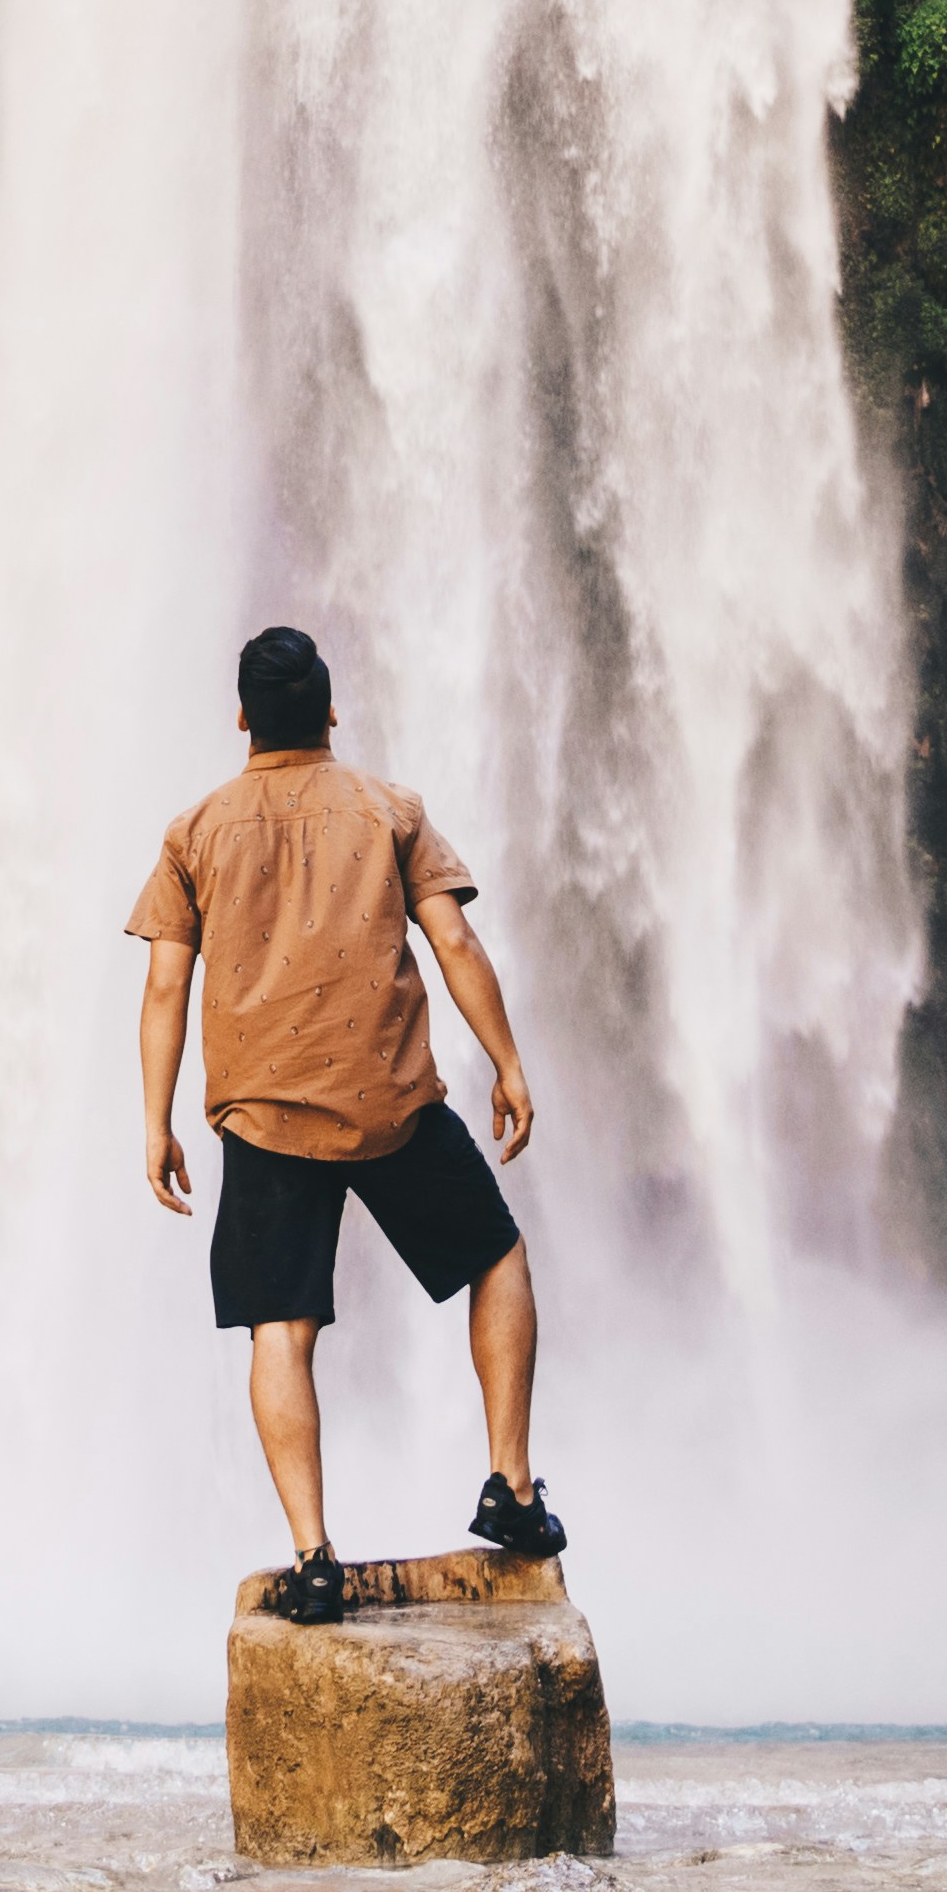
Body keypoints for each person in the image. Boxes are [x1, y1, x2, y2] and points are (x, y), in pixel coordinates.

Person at [129, 622, 562, 1624]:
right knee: (497, 1258)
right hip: (390, 1099)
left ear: (242, 718)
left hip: (265, 1113)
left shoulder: (195, 830)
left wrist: (156, 1121)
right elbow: (452, 937)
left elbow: (163, 984)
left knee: (282, 1329)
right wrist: (507, 1061)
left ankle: (314, 1555)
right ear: (330, 708)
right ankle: (512, 1484)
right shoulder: (389, 808)